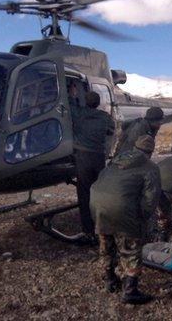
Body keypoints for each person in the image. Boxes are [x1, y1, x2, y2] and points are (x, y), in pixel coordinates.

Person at [90, 135, 161, 304]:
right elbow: (151, 199)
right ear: (150, 152)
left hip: (97, 204)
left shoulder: (115, 161)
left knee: (106, 245)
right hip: (121, 208)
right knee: (131, 250)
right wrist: (141, 218)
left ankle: (109, 281)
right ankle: (130, 291)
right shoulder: (150, 167)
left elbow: (101, 179)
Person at [70, 91, 115, 239]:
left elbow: (67, 106)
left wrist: (72, 93)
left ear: (86, 102)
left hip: (82, 157)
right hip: (98, 157)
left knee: (84, 192)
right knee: (98, 191)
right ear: (98, 103)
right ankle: (101, 226)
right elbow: (111, 130)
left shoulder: (79, 113)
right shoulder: (105, 117)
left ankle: (88, 230)